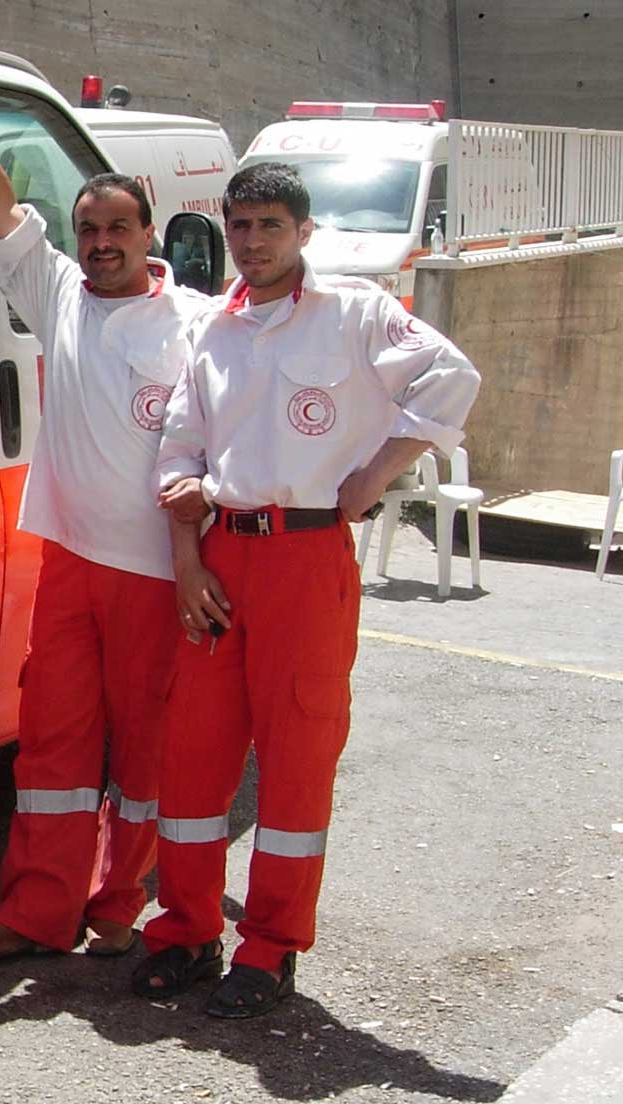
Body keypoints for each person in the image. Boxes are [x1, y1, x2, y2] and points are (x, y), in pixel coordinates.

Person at [134, 162, 480, 1017]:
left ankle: (271, 947)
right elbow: (181, 448)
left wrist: (372, 478)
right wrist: (187, 557)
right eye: (241, 227)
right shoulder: (215, 329)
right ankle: (185, 929)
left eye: (271, 226)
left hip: (307, 557)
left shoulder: (355, 314)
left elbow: (452, 380)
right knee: (193, 755)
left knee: (295, 760)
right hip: (221, 560)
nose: (254, 243)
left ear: (303, 232)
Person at [0, 47, 214, 965]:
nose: (101, 242)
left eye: (118, 226)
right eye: (89, 228)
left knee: (146, 756)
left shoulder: (197, 324)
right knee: (50, 749)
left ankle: (119, 905)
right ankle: (36, 914)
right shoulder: (60, 296)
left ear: (149, 232)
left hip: (157, 574)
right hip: (70, 563)